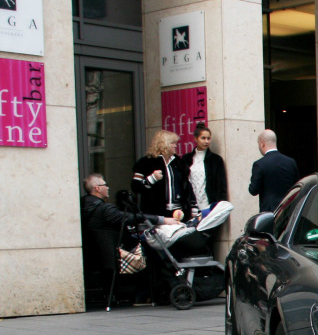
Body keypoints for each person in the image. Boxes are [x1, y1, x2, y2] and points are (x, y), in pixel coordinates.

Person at [80, 174, 167, 305]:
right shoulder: (104, 209)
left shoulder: (81, 207)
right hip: (114, 255)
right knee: (150, 250)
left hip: (94, 254)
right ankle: (144, 296)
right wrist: (161, 219)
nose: (108, 188)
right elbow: (128, 217)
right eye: (105, 185)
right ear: (97, 188)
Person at [174, 123, 229, 219]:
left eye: (208, 138)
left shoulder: (216, 160)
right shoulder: (186, 158)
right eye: (203, 138)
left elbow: (221, 185)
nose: (206, 141)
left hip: (208, 206)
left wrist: (220, 207)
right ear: (195, 139)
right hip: (190, 207)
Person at [132, 130, 186, 220]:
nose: (175, 146)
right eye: (172, 143)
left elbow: (186, 185)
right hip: (156, 213)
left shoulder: (178, 163)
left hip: (178, 212)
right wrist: (151, 179)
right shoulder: (146, 162)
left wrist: (192, 206)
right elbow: (135, 186)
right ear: (164, 144)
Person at [249, 128, 299, 212]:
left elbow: (253, 190)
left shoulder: (260, 164)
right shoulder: (291, 162)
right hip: (289, 210)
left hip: (269, 213)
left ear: (262, 143)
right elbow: (297, 186)